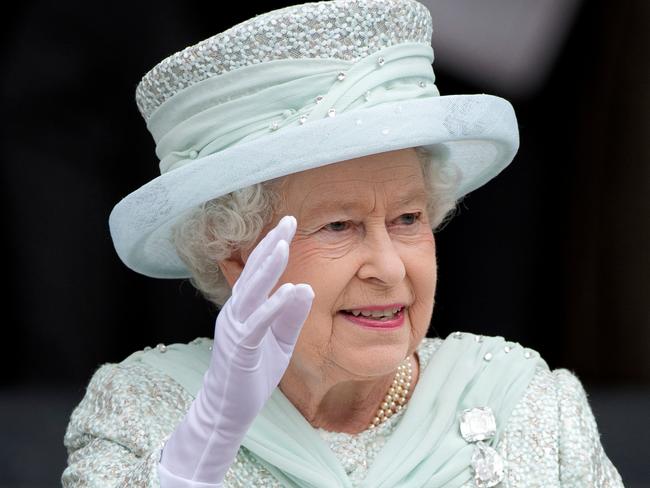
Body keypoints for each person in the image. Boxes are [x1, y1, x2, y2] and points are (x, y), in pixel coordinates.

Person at [61, 0, 625, 486]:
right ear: (235, 255)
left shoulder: (531, 405)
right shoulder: (140, 409)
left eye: (407, 218)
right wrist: (204, 443)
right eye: (339, 226)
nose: (389, 267)